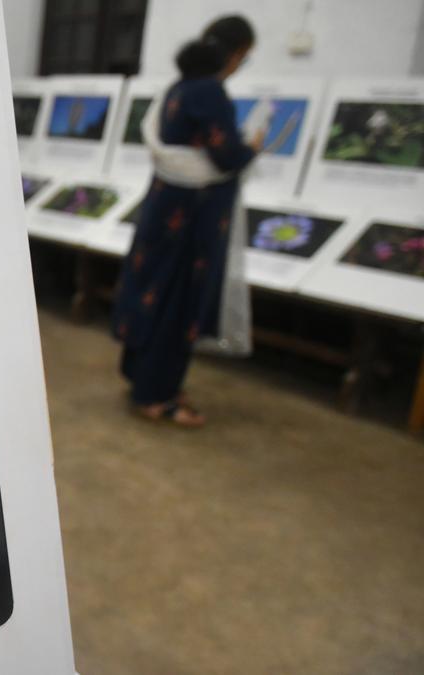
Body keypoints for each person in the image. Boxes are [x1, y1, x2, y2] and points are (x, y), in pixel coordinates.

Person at [112, 15, 263, 427]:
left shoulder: (178, 88)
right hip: (191, 220)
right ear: (235, 53)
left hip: (166, 209)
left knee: (153, 289)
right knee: (176, 301)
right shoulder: (209, 91)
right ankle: (156, 396)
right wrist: (253, 147)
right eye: (244, 56)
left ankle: (141, 377)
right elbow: (225, 156)